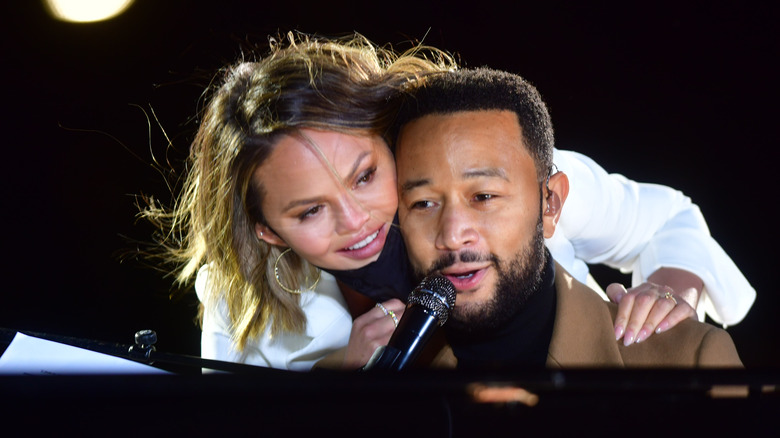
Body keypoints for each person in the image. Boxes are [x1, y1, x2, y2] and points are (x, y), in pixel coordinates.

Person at [141, 33, 753, 371]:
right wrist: (338, 379)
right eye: (309, 211)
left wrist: (670, 292)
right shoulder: (237, 298)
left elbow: (669, 218)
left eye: (364, 177)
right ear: (268, 231)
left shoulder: (510, 177)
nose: (357, 222)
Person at [391, 67, 743, 369]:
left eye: (484, 197)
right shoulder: (373, 360)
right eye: (422, 203)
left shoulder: (693, 360)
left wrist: (663, 314)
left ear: (552, 204)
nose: (452, 235)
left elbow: (671, 217)